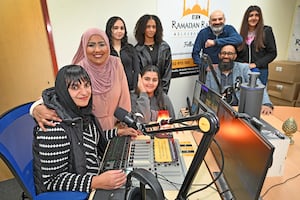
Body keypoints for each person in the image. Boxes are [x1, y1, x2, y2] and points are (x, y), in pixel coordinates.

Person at [33, 65, 127, 194]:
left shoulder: (80, 113)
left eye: (87, 85)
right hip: (81, 190)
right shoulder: (54, 127)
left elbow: (88, 140)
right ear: (63, 91)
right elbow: (52, 180)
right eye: (75, 87)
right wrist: (96, 182)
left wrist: (117, 132)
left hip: (95, 177)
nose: (84, 92)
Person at [31, 28, 138, 136]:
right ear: (84, 47)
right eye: (91, 45)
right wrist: (35, 108)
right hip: (89, 130)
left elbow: (124, 97)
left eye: (102, 44)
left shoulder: (115, 63)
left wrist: (123, 122)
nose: (97, 50)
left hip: (117, 128)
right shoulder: (79, 69)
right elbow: (59, 94)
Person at [205, 44, 273, 115]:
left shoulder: (243, 69)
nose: (226, 56)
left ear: (235, 56)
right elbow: (206, 92)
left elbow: (257, 85)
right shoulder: (212, 71)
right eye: (223, 53)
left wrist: (266, 104)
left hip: (238, 110)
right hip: (218, 110)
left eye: (230, 53)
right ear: (219, 55)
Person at [236, 5, 277, 86]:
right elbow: (237, 55)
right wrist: (243, 65)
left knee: (258, 96)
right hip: (243, 70)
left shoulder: (266, 31)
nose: (254, 18)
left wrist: (256, 64)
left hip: (260, 71)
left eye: (257, 15)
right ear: (246, 18)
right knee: (242, 94)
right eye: (251, 15)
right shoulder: (240, 35)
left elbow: (272, 53)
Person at [134, 14, 172, 94]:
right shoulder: (137, 50)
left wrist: (162, 94)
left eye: (154, 27)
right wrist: (144, 94)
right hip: (144, 93)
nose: (151, 30)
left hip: (161, 93)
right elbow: (138, 76)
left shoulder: (164, 48)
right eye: (148, 27)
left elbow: (167, 73)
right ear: (142, 29)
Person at [105, 16, 140, 91]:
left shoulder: (130, 48)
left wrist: (134, 89)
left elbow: (137, 70)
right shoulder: (105, 50)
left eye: (122, 28)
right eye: (115, 28)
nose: (119, 31)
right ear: (109, 30)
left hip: (130, 90)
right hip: (112, 91)